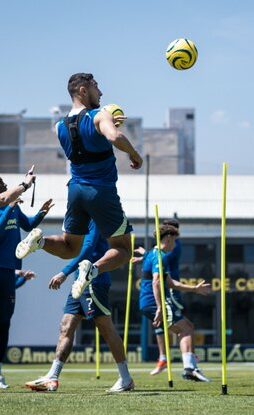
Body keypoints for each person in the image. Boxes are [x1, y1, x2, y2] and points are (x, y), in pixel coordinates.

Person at [15, 73, 143, 302]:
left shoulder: (60, 126)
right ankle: (93, 269)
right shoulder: (98, 116)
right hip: (101, 191)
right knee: (124, 249)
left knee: (70, 247)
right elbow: (114, 137)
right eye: (96, 87)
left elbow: (86, 142)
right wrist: (134, 154)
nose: (101, 93)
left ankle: (40, 242)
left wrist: (103, 126)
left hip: (75, 191)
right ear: (83, 91)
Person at [25, 221, 134, 393]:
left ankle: (126, 379)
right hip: (79, 282)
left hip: (93, 282)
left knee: (106, 329)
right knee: (66, 327)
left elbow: (87, 249)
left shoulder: (95, 218)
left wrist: (64, 272)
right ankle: (52, 378)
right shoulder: (81, 219)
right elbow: (71, 247)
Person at [139, 224, 211, 382]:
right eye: (175, 241)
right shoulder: (160, 256)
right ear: (168, 239)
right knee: (185, 328)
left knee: (187, 327)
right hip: (153, 301)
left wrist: (194, 289)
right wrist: (159, 307)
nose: (176, 245)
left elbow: (170, 283)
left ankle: (190, 368)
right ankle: (189, 369)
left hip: (148, 302)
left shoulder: (154, 254)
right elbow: (156, 282)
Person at [0, 186, 52, 389]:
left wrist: (41, 213)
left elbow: (28, 225)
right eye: (4, 190)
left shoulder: (13, 209)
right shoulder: (6, 208)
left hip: (8, 272)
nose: (9, 192)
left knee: (4, 323)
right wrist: (8, 208)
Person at [134, 218, 183, 376]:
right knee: (162, 323)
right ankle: (164, 358)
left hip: (170, 289)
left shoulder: (173, 247)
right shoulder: (160, 251)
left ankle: (190, 360)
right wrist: (144, 257)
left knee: (182, 326)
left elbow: (159, 257)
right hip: (164, 285)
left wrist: (146, 255)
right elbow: (155, 257)